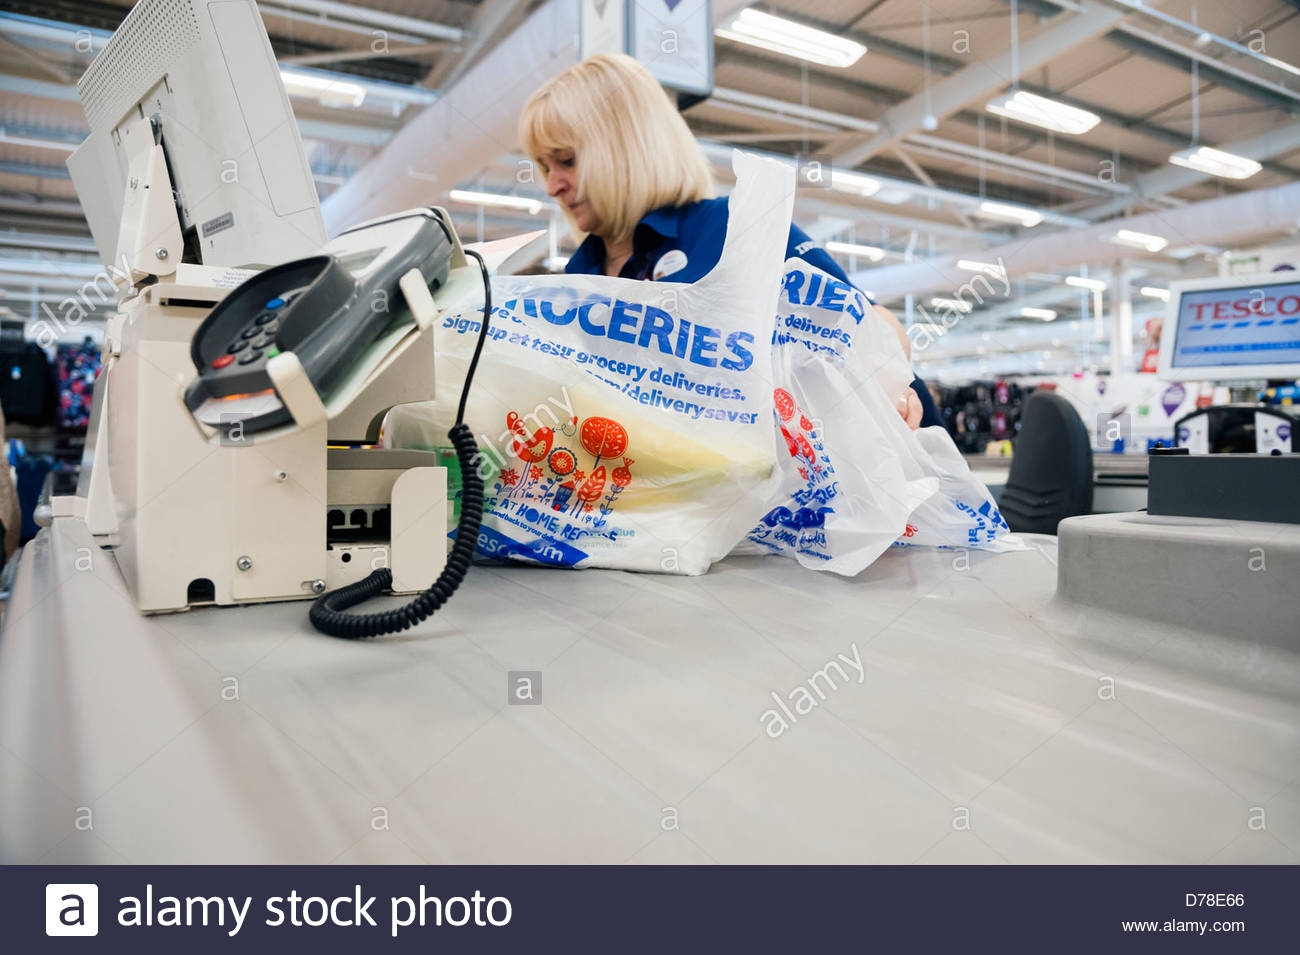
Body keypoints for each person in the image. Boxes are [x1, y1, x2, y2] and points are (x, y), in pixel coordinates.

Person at [517, 52, 943, 430]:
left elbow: (866, 328)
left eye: (567, 161)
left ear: (628, 148)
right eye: (543, 166)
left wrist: (887, 367)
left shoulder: (735, 229)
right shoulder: (576, 278)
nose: (552, 186)